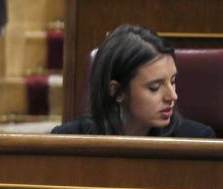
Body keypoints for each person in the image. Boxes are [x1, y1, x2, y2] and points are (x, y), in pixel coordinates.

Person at [52, 24, 215, 137]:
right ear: (117, 92)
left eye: (172, 81)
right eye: (155, 87)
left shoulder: (196, 140)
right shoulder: (69, 141)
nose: (172, 96)